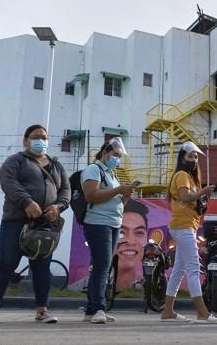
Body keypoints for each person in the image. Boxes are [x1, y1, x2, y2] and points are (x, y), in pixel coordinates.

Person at [0, 124, 71, 324]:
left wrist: (59, 206)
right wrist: (27, 202)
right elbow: (8, 182)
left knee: (42, 267)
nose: (42, 140)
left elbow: (66, 189)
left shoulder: (56, 165)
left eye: (45, 137)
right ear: (25, 140)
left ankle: (42, 310)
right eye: (36, 136)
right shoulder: (15, 161)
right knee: (6, 264)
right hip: (16, 221)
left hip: (45, 226)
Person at [160, 141, 217, 323]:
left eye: (196, 157)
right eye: (191, 156)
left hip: (185, 225)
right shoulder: (182, 175)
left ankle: (167, 310)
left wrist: (203, 196)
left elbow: (195, 205)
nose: (194, 159)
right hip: (183, 226)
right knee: (193, 268)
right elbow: (184, 197)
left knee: (179, 269)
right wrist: (202, 191)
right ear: (182, 158)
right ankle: (202, 312)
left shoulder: (189, 177)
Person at [81, 137, 136, 324]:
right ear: (104, 153)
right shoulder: (93, 169)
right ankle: (98, 308)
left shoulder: (112, 174)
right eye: (115, 155)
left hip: (113, 223)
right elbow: (91, 195)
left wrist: (125, 196)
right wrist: (119, 189)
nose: (117, 159)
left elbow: (115, 201)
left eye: (119, 156)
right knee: (102, 266)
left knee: (103, 266)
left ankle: (91, 310)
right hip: (98, 223)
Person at [116, 199, 149, 290]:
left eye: (139, 232)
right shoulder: (88, 287)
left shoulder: (152, 289)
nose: (130, 241)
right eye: (121, 232)